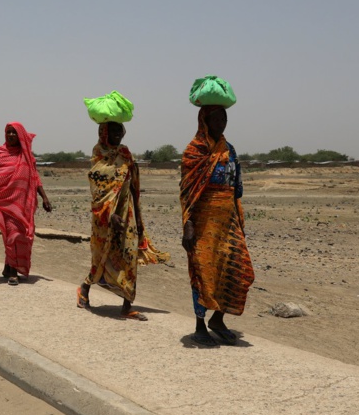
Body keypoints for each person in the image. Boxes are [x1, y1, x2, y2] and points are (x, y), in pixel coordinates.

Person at [180, 75, 255, 346]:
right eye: (216, 119)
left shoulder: (230, 150)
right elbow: (187, 192)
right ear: (204, 120)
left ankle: (218, 319)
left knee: (237, 270)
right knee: (202, 272)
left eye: (224, 119)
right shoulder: (194, 151)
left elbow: (237, 188)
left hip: (229, 222)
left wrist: (238, 218)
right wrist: (187, 224)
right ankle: (200, 324)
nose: (221, 123)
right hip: (202, 223)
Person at [77, 110, 160, 320]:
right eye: (112, 131)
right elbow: (98, 190)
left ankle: (127, 305)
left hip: (128, 212)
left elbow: (133, 186)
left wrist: (139, 220)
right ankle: (85, 288)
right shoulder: (98, 155)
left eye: (120, 130)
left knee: (129, 255)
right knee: (102, 256)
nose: (117, 134)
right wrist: (110, 214)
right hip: (104, 218)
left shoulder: (125, 154)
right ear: (104, 132)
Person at [0, 122, 52, 286]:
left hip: (20, 203)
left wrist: (44, 197)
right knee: (12, 234)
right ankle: (13, 273)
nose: (10, 135)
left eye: (14, 133)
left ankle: (8, 266)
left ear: (20, 136)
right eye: (8, 132)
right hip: (3, 203)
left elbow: (35, 178)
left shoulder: (27, 157)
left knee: (15, 235)